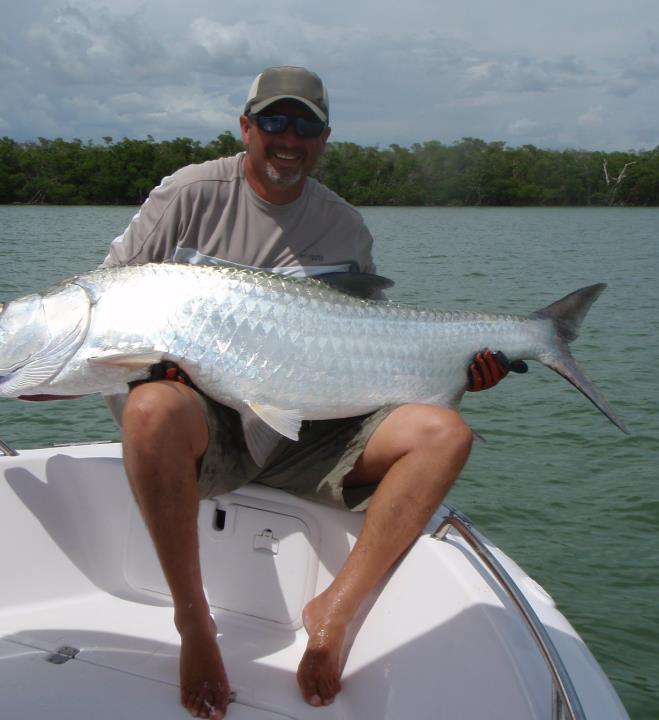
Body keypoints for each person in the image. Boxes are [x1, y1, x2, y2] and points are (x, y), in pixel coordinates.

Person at [101, 66, 523, 719]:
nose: (288, 138)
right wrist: (142, 368)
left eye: (304, 125)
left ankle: (333, 614)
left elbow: (358, 355)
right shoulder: (188, 196)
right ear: (246, 127)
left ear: (324, 138)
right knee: (150, 407)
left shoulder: (345, 227)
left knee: (446, 435)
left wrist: (456, 373)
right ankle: (195, 624)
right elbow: (108, 306)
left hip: (314, 426)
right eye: (274, 121)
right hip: (214, 425)